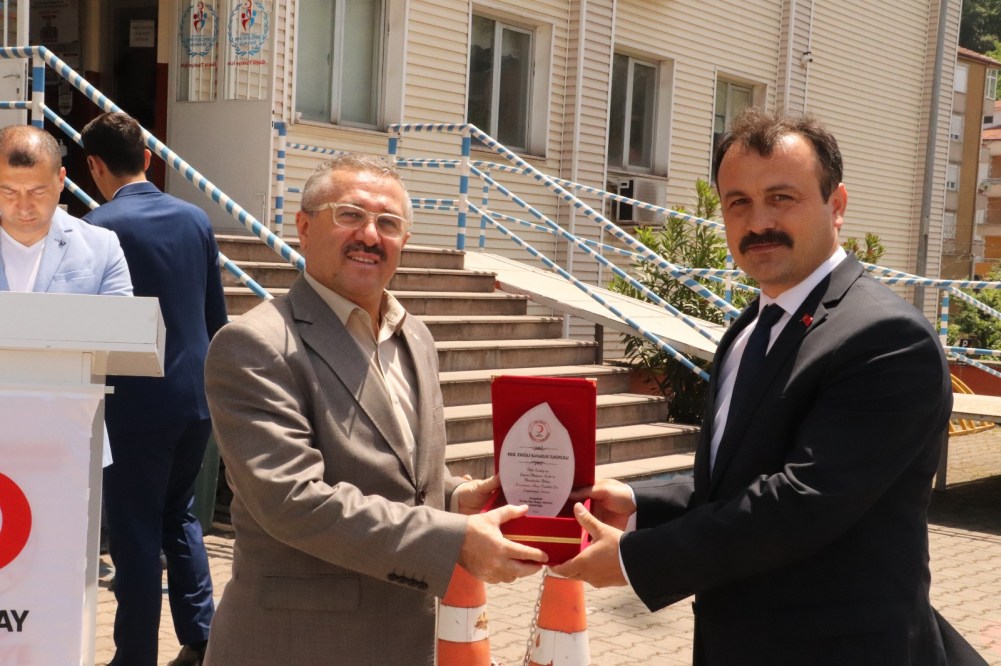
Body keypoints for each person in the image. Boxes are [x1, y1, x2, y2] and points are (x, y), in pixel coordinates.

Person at [552, 109, 961, 664]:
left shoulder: (886, 337)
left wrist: (635, 558)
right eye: (738, 202)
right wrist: (638, 503)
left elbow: (801, 501)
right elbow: (741, 480)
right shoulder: (751, 326)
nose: (758, 221)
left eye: (781, 198)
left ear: (837, 205)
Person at [202, 154, 547, 665]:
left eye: (388, 223)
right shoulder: (257, 344)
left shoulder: (415, 336)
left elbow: (403, 474)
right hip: (300, 645)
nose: (369, 235)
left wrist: (458, 497)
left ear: (404, 239)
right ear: (303, 227)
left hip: (406, 639)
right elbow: (292, 499)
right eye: (350, 215)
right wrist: (454, 541)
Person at [81, 112, 226, 666]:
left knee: (135, 528)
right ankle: (203, 637)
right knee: (179, 513)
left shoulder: (95, 228)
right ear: (147, 157)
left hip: (132, 403)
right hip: (196, 396)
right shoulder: (195, 219)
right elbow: (215, 316)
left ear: (94, 166)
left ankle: (135, 654)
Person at [0, 124, 130, 295]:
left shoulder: (102, 247)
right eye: (9, 192)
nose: (24, 207)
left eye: (38, 192)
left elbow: (120, 311)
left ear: (61, 180)